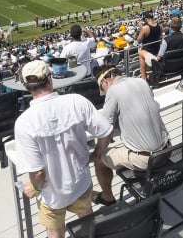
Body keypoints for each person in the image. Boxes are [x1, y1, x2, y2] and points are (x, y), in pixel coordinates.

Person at [14, 60, 113, 238]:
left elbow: (38, 174)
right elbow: (106, 130)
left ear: (26, 87)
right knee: (87, 225)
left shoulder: (23, 123)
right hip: (80, 184)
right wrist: (97, 154)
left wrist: (35, 189)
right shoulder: (76, 101)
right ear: (50, 79)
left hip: (51, 196)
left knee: (55, 233)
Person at [91, 64, 170, 206]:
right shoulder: (141, 82)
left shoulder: (113, 91)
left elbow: (106, 129)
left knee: (100, 159)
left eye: (103, 89)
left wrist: (97, 152)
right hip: (167, 150)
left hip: (147, 160)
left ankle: (107, 197)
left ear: (105, 81)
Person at [136, 11, 163, 80]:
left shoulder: (145, 28)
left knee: (140, 52)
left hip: (147, 52)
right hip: (157, 51)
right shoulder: (160, 26)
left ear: (145, 19)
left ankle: (144, 77)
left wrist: (141, 27)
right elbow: (160, 37)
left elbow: (139, 40)